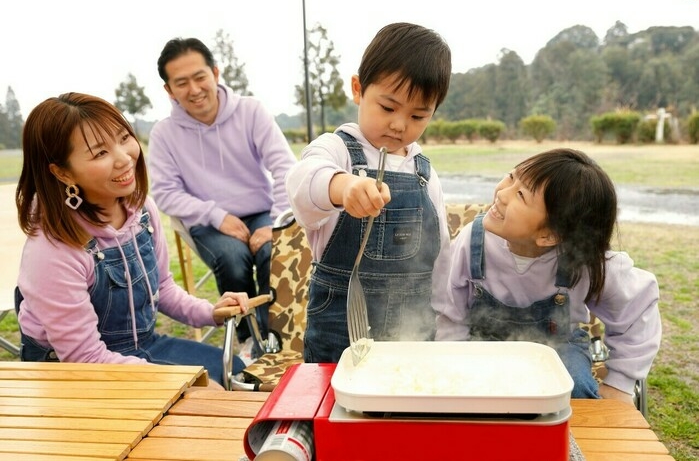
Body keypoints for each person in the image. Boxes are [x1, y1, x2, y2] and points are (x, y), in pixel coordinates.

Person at [15, 92, 249, 387]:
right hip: (73, 371)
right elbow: (85, 359)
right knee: (209, 393)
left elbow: (162, 287)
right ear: (62, 173)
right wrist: (180, 383)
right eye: (100, 153)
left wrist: (210, 312)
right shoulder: (52, 249)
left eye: (124, 138)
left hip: (142, 346)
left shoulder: (141, 210)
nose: (125, 158)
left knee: (238, 373)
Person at [438, 148, 661, 404]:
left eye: (521, 195)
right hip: (482, 345)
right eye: (511, 177)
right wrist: (451, 365)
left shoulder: (583, 261)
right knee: (465, 393)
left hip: (558, 349)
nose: (502, 193)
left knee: (573, 389)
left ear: (549, 236)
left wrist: (620, 384)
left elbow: (638, 309)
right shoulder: (473, 241)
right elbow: (450, 313)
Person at [286, 22, 452, 363]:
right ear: (358, 89)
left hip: (413, 327)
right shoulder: (337, 151)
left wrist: (447, 322)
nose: (399, 124)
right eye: (388, 108)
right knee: (335, 406)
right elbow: (303, 183)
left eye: (418, 115)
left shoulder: (424, 172)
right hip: (340, 324)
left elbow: (443, 254)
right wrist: (343, 186)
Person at [148, 37, 296, 347]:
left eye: (200, 77)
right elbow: (165, 192)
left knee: (274, 250)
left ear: (215, 73)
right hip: (207, 220)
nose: (194, 89)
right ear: (168, 89)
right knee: (232, 258)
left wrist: (274, 223)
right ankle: (246, 339)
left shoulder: (251, 111)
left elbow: (284, 167)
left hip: (260, 211)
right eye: (181, 82)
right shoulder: (164, 134)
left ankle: (277, 341)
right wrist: (216, 216)